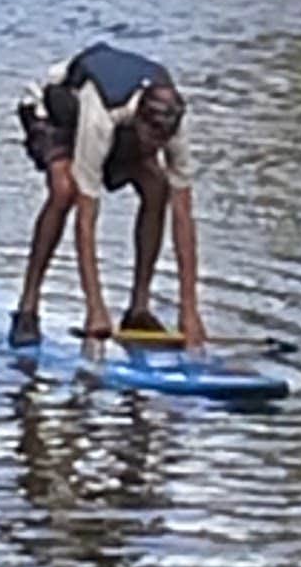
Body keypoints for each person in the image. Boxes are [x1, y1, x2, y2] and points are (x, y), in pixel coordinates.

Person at [12, 42, 204, 351]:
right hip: (53, 112)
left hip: (118, 127)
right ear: (139, 121)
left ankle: (138, 310)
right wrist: (95, 308)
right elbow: (86, 219)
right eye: (150, 141)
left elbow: (184, 215)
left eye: (160, 143)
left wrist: (190, 310)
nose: (155, 149)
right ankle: (27, 306)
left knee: (158, 187)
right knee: (65, 191)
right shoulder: (101, 112)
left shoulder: (175, 121)